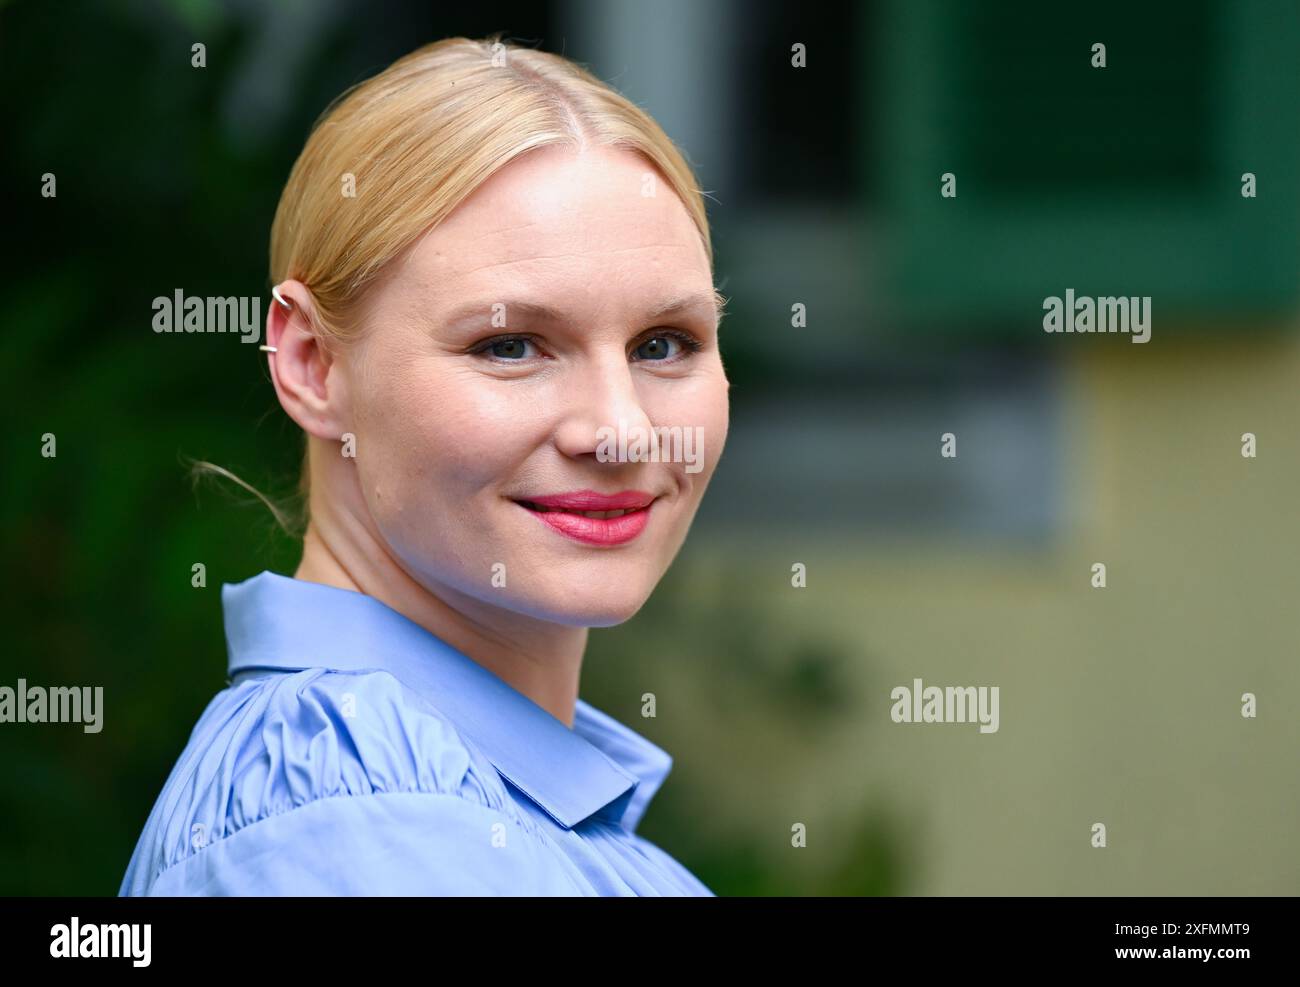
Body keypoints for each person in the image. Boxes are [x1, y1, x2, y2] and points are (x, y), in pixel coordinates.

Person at [118, 33, 729, 895]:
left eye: (665, 343)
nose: (623, 430)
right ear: (312, 364)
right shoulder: (355, 820)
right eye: (511, 345)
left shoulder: (449, 808)